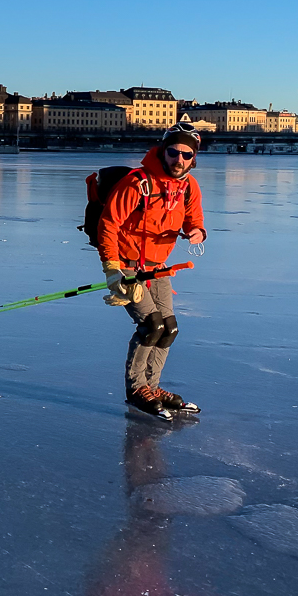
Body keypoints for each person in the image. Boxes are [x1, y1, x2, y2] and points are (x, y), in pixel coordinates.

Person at [97, 121, 206, 418]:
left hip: (158, 269)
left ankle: (152, 387)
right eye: (173, 152)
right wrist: (112, 269)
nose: (179, 160)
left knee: (169, 329)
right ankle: (136, 389)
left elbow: (194, 219)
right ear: (162, 150)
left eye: (186, 155)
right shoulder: (137, 182)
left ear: (193, 158)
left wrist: (197, 231)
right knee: (151, 326)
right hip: (129, 268)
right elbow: (108, 224)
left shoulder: (188, 186)